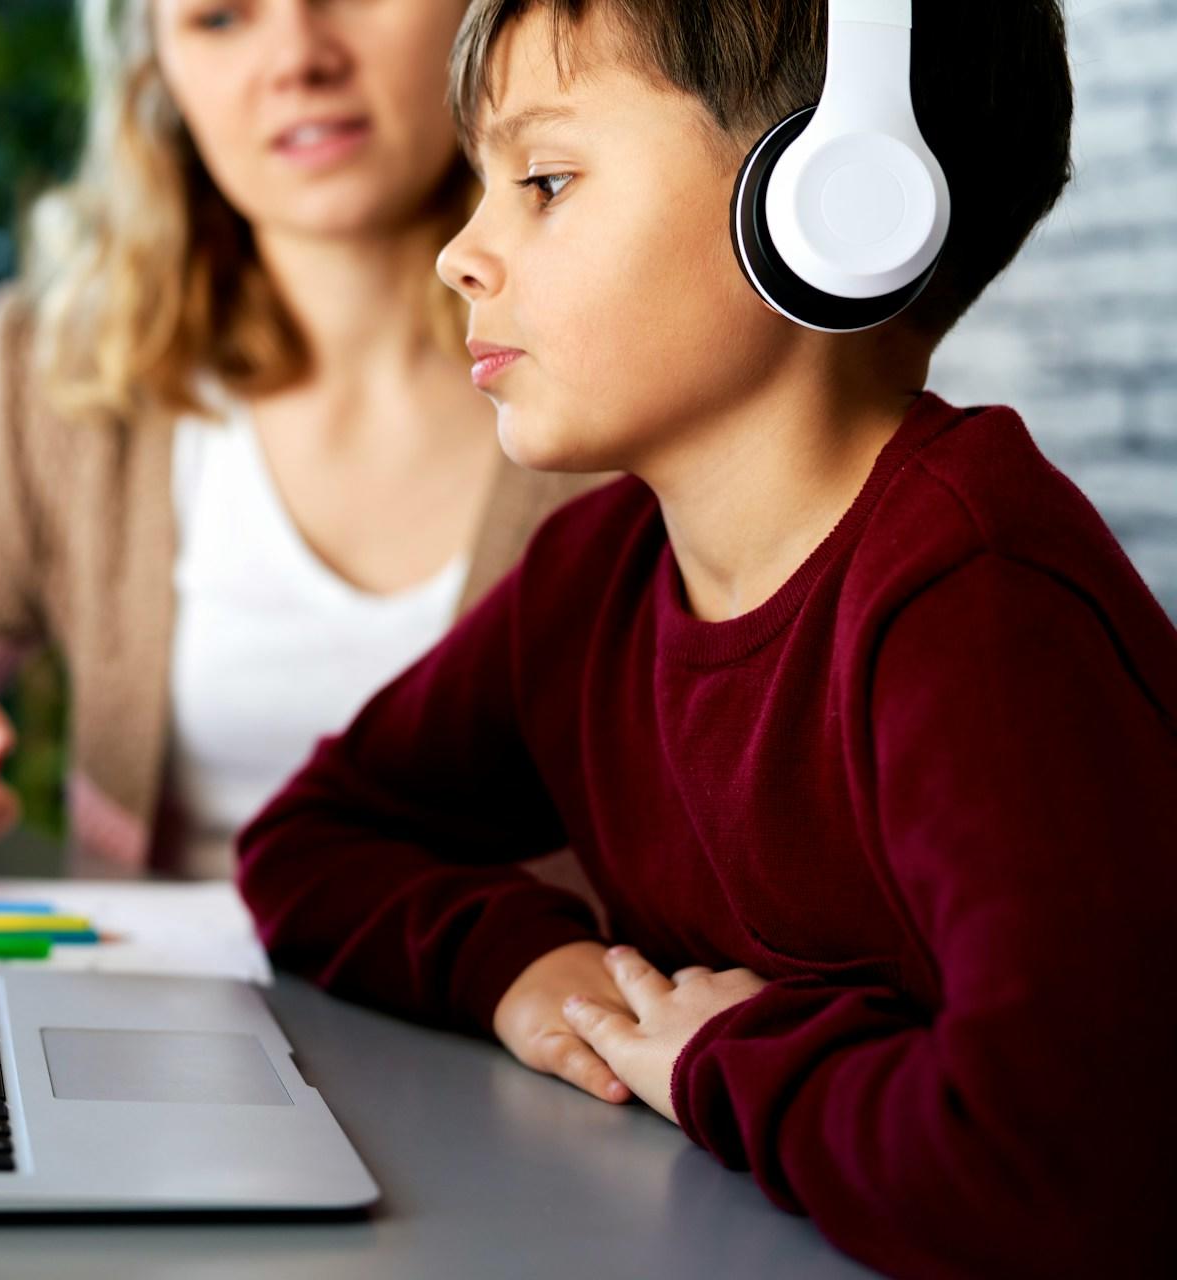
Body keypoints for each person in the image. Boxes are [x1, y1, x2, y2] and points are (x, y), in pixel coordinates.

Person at [236, 1, 1177, 1274]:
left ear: (836, 202)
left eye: (545, 181)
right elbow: (310, 838)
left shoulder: (979, 607)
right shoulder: (597, 578)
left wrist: (717, 1059)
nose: (462, 252)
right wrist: (528, 969)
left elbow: (1052, 1172)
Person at [0, 0, 609, 885]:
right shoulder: (78, 387)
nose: (298, 59)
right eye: (220, 18)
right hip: (157, 1012)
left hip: (516, 1020)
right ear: (157, 74)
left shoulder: (643, 377)